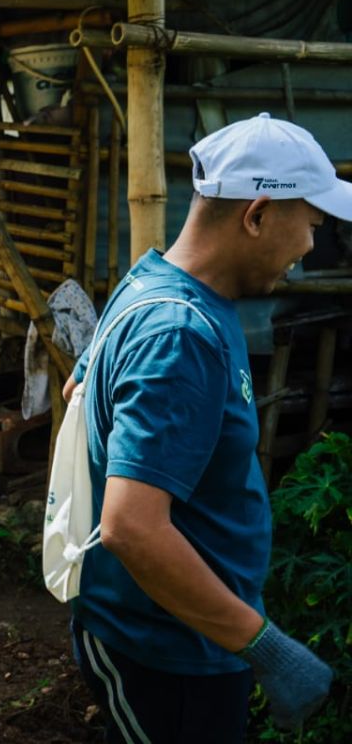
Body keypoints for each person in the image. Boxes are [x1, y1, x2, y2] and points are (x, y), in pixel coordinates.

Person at [61, 113, 339, 743]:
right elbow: (132, 526)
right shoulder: (179, 333)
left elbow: (88, 385)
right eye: (311, 226)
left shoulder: (155, 282)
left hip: (189, 639)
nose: (309, 250)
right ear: (258, 214)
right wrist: (267, 648)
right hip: (164, 653)